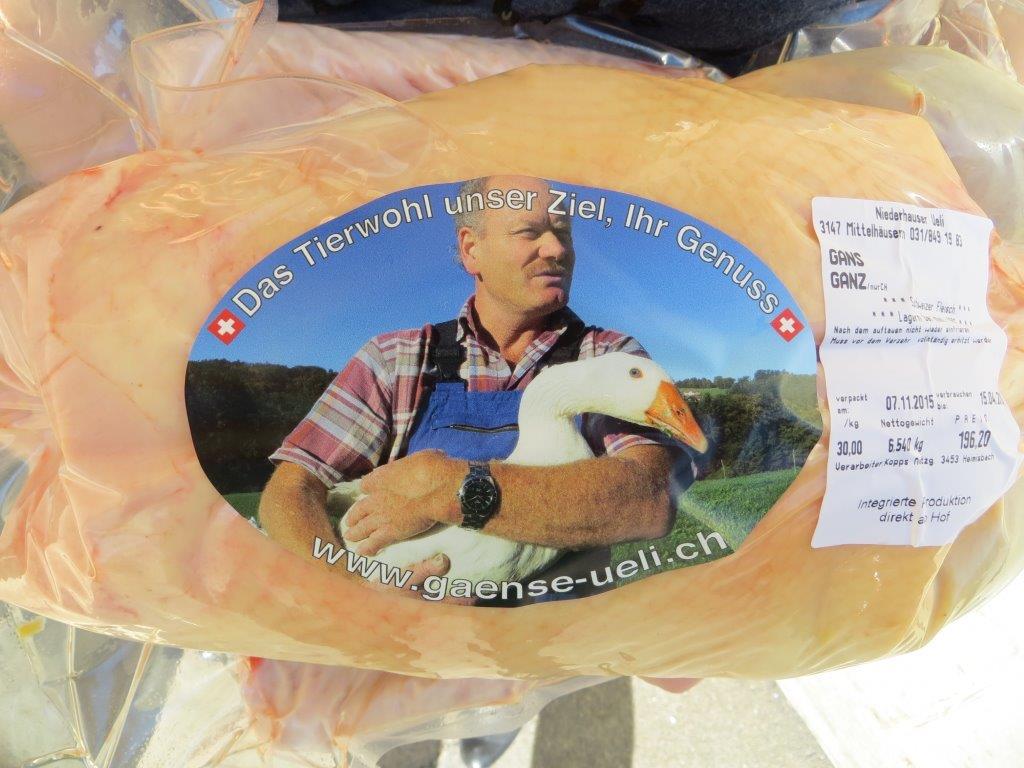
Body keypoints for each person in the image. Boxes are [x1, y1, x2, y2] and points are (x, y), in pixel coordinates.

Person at [258, 175, 693, 602]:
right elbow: (292, 490)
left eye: (563, 233)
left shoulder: (609, 358)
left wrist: (446, 487)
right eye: (529, 232)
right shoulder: (395, 359)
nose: (557, 249)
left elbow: (648, 499)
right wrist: (353, 595)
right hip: (409, 639)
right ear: (471, 249)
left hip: (562, 637)